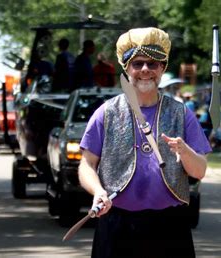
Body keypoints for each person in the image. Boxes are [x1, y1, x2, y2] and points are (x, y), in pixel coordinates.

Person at [78, 27, 211, 258]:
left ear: (163, 68)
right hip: (116, 224)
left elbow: (199, 171)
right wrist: (98, 191)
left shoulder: (182, 113)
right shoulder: (106, 113)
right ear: (126, 68)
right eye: (138, 64)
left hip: (169, 227)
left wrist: (185, 151)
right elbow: (86, 164)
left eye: (153, 63)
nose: (145, 70)